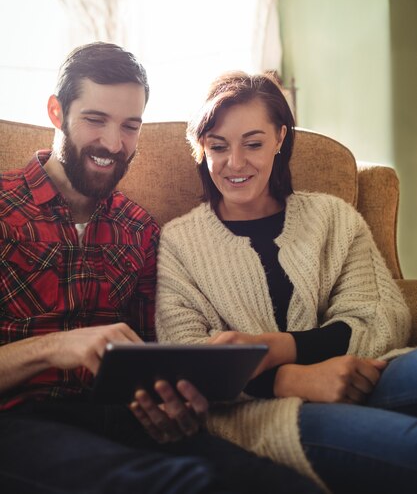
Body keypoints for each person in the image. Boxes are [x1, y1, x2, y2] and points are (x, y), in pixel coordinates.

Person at [0, 45, 320, 494]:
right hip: (16, 423)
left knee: (281, 483)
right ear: (57, 112)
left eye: (129, 126)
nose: (113, 144)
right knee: (184, 484)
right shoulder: (4, 207)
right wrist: (53, 348)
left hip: (121, 420)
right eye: (96, 120)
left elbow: (156, 353)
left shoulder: (140, 229)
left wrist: (170, 403)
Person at [156, 70, 417, 494]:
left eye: (253, 143)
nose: (235, 163)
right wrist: (290, 379)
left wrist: (284, 348)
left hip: (370, 373)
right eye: (218, 146)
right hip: (259, 414)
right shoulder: (179, 243)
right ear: (201, 149)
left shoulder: (332, 218)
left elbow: (381, 316)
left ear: (280, 137)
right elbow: (186, 362)